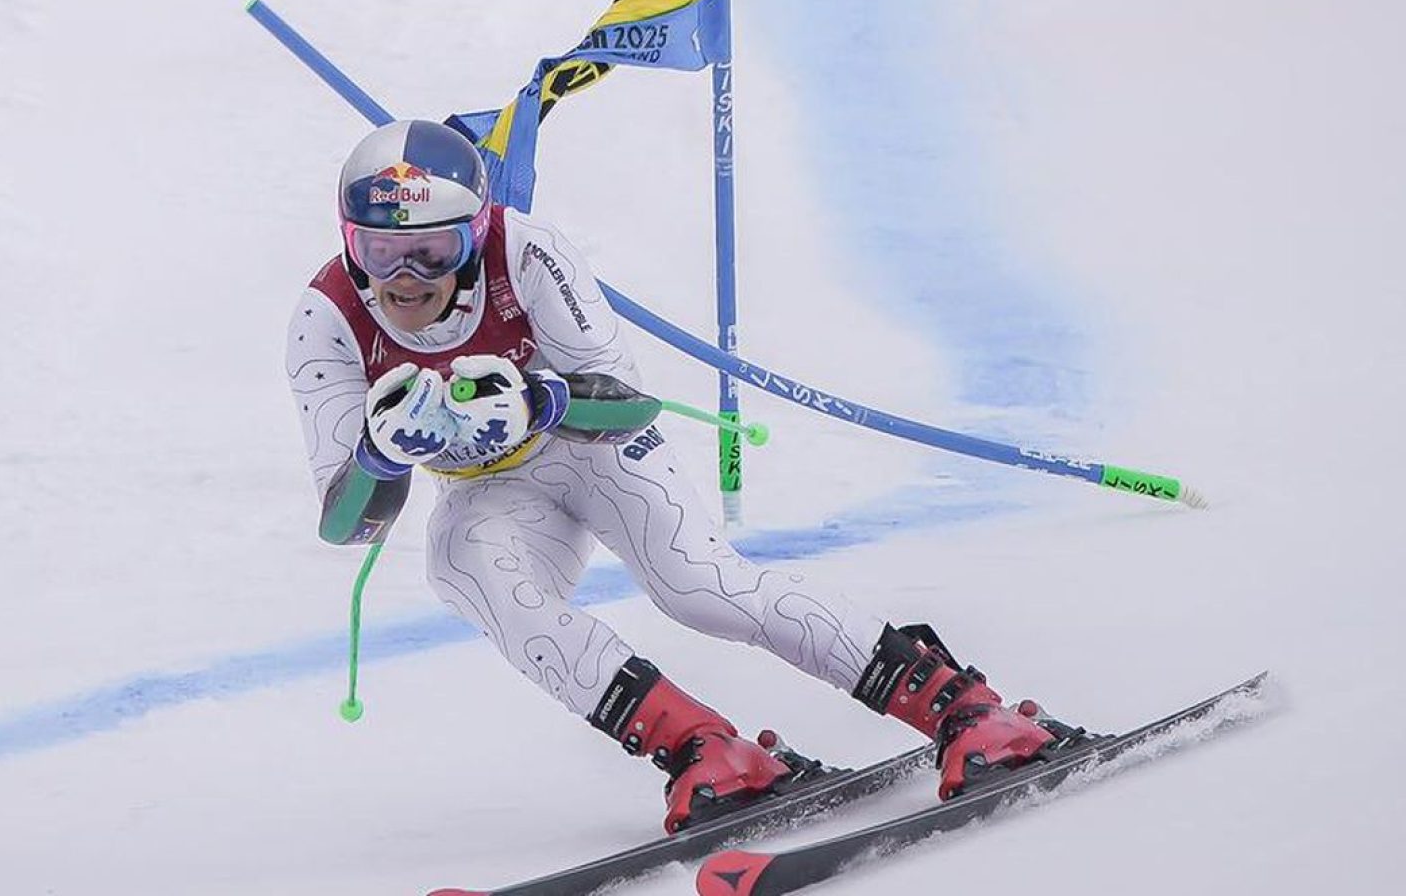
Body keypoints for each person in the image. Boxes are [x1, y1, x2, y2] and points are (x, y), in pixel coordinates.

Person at [284, 119, 1058, 834]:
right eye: (382, 253)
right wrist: (380, 456)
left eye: (436, 250)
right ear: (351, 246)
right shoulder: (326, 318)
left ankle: (963, 706)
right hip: (492, 490)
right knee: (463, 567)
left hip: (590, 447)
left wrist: (537, 401)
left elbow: (627, 403)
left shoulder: (525, 253)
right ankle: (702, 747)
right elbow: (346, 524)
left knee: (699, 587)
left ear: (477, 232)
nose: (408, 277)